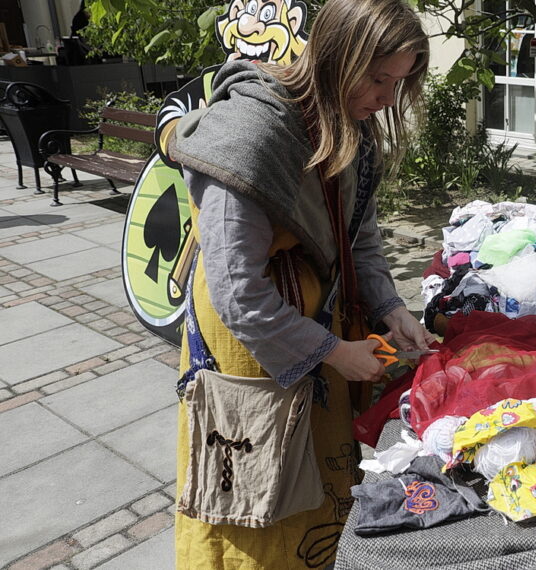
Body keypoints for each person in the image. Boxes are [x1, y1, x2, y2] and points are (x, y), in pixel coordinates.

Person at [167, 0, 434, 567]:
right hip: (250, 348)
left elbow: (358, 235)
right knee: (253, 500)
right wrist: (334, 352)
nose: (387, 99)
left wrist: (391, 309)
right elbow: (239, 293)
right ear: (338, 56)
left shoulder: (346, 124)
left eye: (399, 82)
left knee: (318, 491)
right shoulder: (250, 134)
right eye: (379, 78)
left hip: (317, 337)